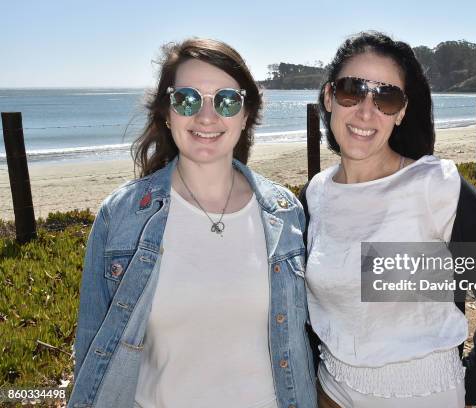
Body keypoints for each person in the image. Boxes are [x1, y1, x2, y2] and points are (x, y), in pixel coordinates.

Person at [68, 38, 316, 408]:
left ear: (246, 114)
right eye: (187, 99)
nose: (206, 117)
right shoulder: (120, 217)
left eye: (227, 100)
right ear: (167, 112)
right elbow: (91, 352)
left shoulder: (286, 212)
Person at [299, 32, 476, 407]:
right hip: (329, 393)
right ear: (328, 97)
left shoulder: (436, 189)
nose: (365, 110)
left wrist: (473, 380)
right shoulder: (316, 194)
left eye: (386, 97)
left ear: (402, 111)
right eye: (351, 90)